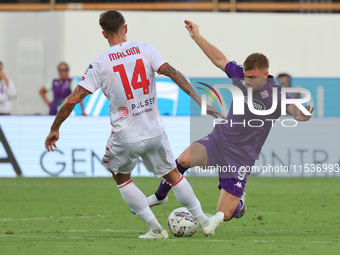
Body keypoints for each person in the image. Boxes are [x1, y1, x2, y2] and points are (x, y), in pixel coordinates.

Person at [44, 10, 225, 239]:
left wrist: (55, 128)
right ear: (126, 28)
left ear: (104, 34)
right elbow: (174, 74)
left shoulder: (100, 64)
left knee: (121, 178)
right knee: (173, 175)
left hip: (126, 135)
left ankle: (156, 229)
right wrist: (201, 103)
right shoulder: (145, 49)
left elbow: (72, 100)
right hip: (155, 130)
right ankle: (204, 222)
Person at [141, 20, 314, 222]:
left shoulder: (277, 95)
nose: (247, 81)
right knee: (183, 160)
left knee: (225, 214)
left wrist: (302, 116)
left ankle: (239, 203)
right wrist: (196, 35)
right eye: (246, 76)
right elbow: (218, 58)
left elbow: (294, 110)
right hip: (220, 140)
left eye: (252, 77)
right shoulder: (239, 75)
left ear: (266, 74)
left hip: (241, 156)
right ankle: (159, 196)